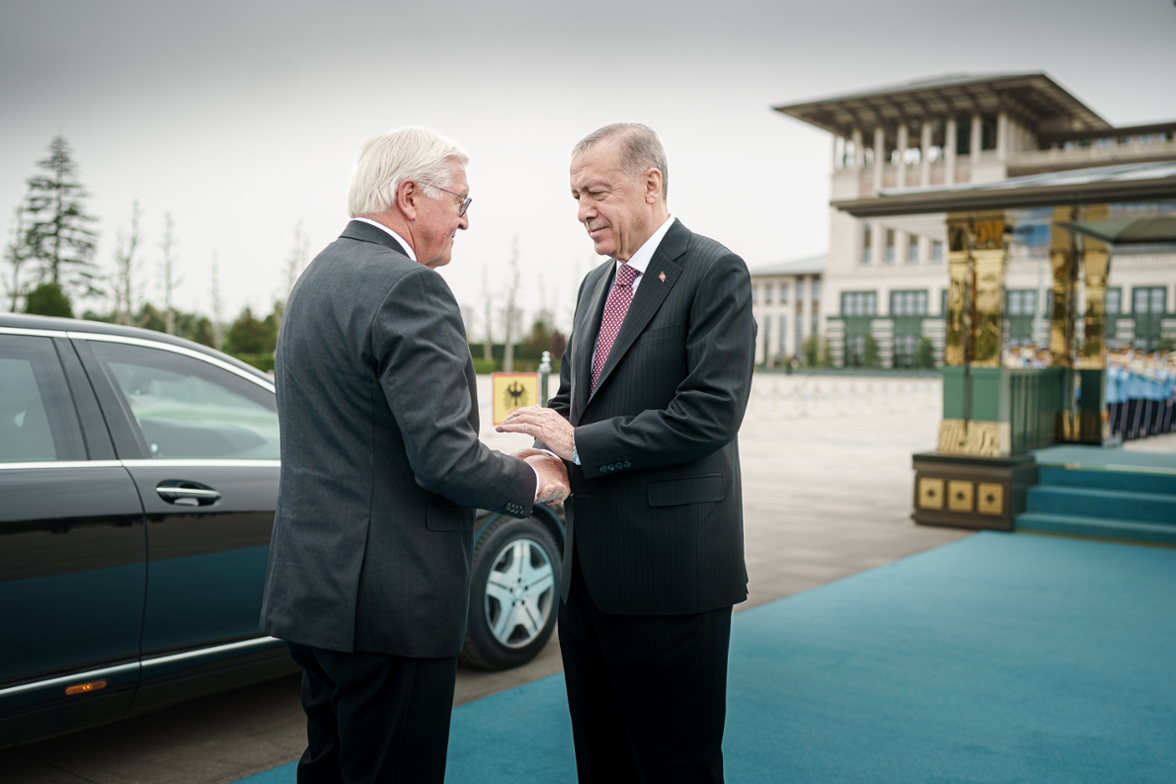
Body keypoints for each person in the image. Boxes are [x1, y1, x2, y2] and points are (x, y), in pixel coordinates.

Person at [260, 128, 568, 784]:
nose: (465, 219)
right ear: (408, 196)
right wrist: (537, 477)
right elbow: (445, 461)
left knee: (330, 767)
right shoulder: (409, 288)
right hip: (389, 606)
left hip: (314, 592)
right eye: (460, 200)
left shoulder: (317, 277)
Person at [498, 123, 756, 783]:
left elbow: (710, 415)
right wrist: (546, 454)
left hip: (673, 577)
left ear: (651, 184)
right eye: (575, 195)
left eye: (595, 191)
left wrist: (580, 444)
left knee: (675, 766)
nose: (582, 210)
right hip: (587, 581)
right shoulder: (593, 287)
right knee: (602, 763)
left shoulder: (715, 271)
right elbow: (570, 402)